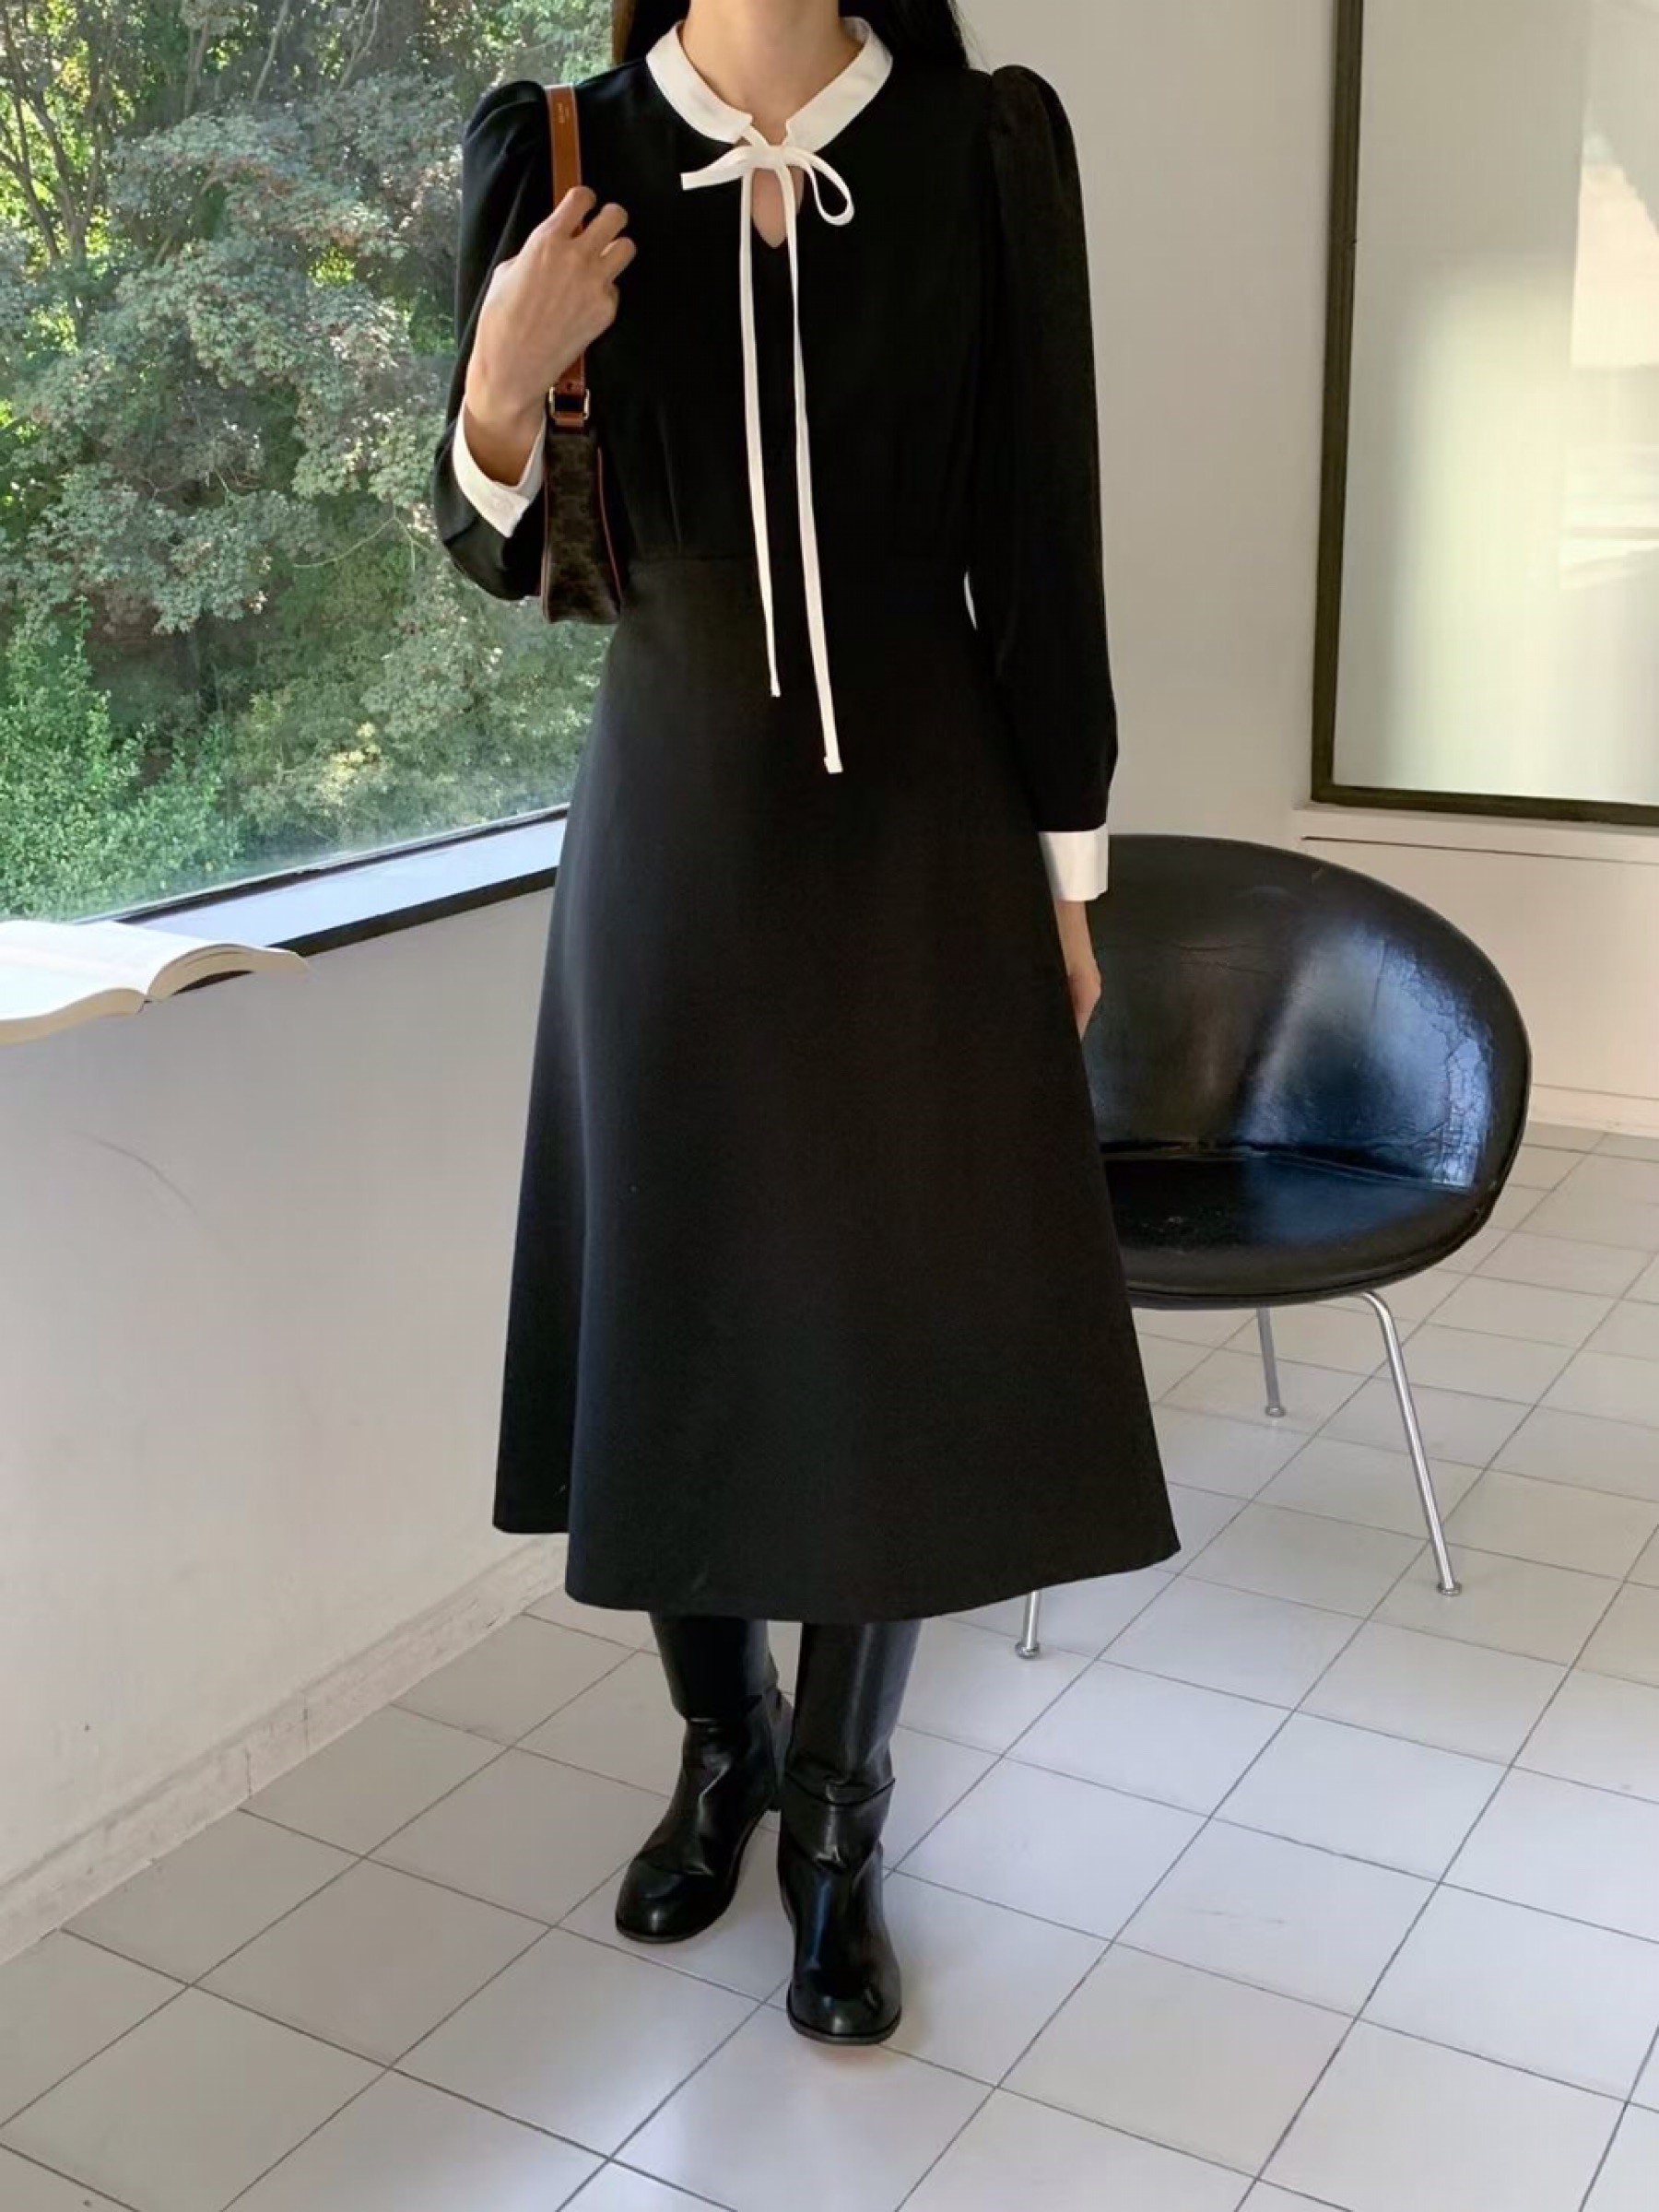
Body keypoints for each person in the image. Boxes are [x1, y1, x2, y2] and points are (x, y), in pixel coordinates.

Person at [432, 0, 1177, 2045]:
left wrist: (1069, 880)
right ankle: (725, 1746)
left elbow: (1042, 543)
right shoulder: (562, 148)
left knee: (891, 1332)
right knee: (668, 1301)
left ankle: (839, 1826)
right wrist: (502, 375)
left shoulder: (980, 148)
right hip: (671, 828)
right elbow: (488, 550)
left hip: (927, 830)